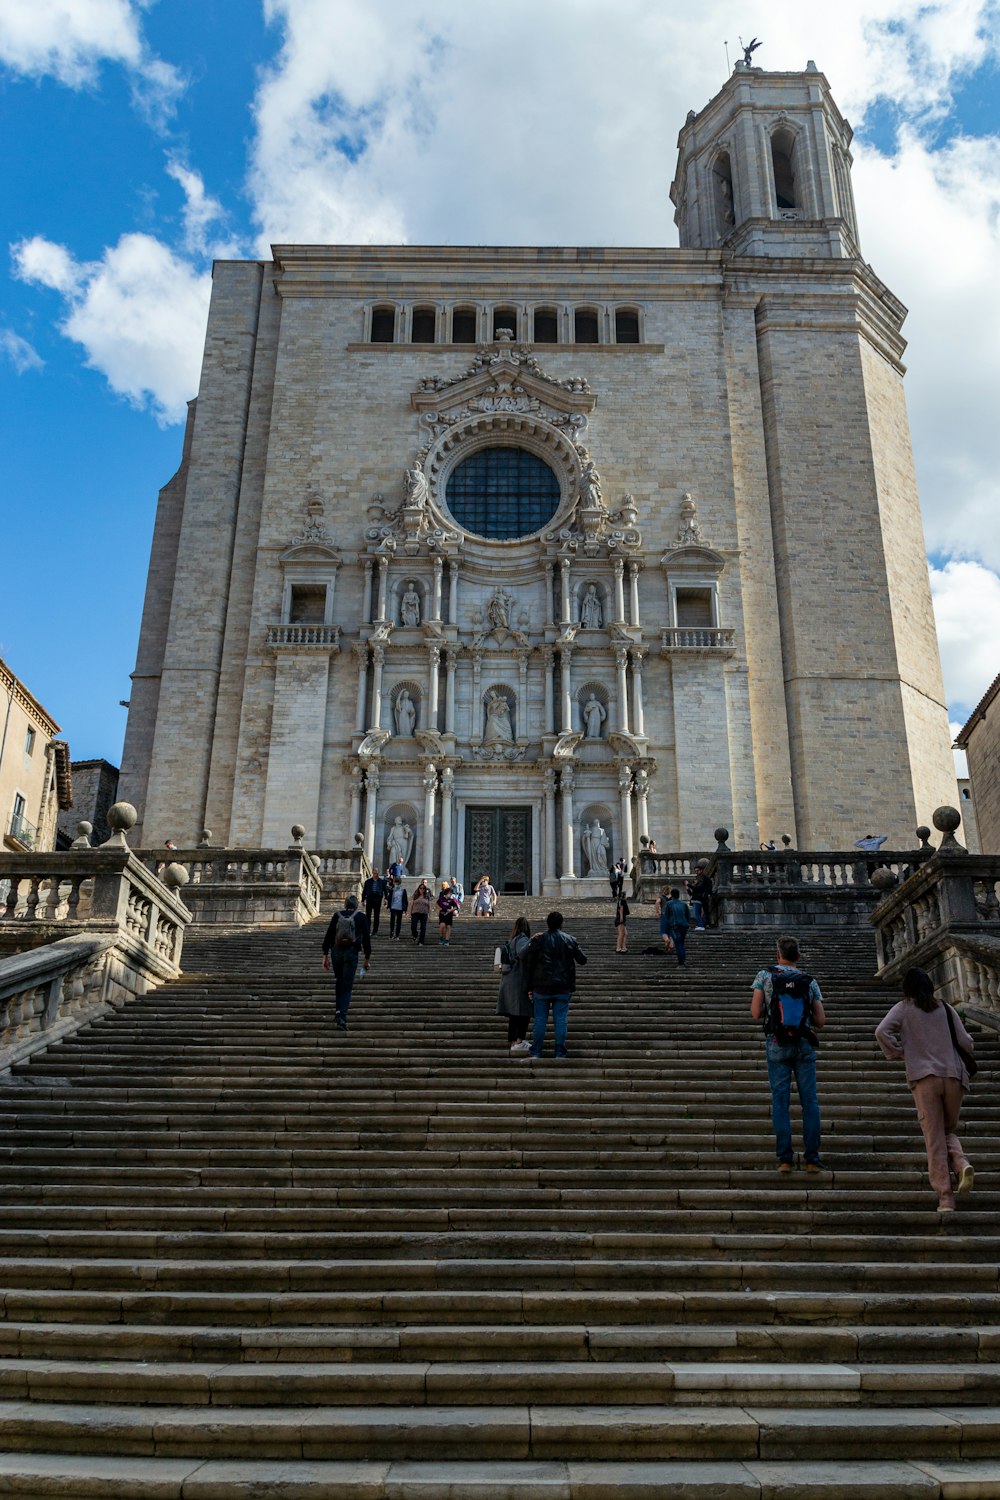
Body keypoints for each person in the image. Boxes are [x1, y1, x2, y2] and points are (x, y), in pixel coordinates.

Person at [875, 967, 975, 1213]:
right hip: (954, 1076)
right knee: (947, 1130)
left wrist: (899, 1052)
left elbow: (881, 1031)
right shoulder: (946, 1008)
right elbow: (967, 1043)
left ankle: (945, 1197)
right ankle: (961, 1164)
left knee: (934, 1139)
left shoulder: (904, 1008)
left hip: (924, 1078)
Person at [751, 935, 827, 1173]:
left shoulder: (765, 976)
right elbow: (821, 1021)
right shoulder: (809, 980)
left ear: (778, 955)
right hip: (804, 1042)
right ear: (798, 956)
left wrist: (772, 1008)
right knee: (810, 1102)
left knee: (781, 1103)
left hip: (777, 1042)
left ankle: (785, 1159)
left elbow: (755, 1012)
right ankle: (812, 1159)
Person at [523, 911, 588, 1060]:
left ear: (547, 923)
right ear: (561, 924)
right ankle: (559, 1052)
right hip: (563, 987)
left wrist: (529, 987)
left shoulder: (539, 940)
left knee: (540, 1020)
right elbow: (583, 960)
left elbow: (530, 964)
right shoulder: (569, 940)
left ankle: (536, 1052)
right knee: (560, 1020)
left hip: (541, 987)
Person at [321, 892, 371, 1031]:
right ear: (356, 906)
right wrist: (367, 959)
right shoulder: (361, 917)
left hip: (336, 952)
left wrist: (325, 955)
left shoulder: (337, 915)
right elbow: (366, 939)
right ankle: (342, 1017)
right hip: (351, 952)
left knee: (339, 981)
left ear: (345, 905)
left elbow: (329, 935)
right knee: (347, 986)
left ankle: (338, 1011)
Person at [496, 915, 533, 1054]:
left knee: (514, 1013)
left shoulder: (512, 940)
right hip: (519, 980)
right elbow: (523, 954)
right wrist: (532, 943)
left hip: (508, 980)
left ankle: (514, 1041)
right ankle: (519, 1041)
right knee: (523, 1012)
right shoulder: (523, 939)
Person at [656, 886, 691, 966]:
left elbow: (667, 916)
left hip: (675, 926)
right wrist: (687, 924)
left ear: (672, 895)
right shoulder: (684, 904)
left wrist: (667, 927)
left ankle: (681, 963)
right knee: (681, 943)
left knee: (678, 944)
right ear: (679, 895)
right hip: (684, 926)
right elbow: (687, 915)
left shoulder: (669, 904)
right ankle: (683, 959)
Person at [361, 867, 386, 935]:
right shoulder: (368, 882)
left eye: (377, 873)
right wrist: (363, 900)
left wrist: (386, 899)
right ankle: (368, 930)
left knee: (376, 916)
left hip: (378, 900)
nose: (376, 874)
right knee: (368, 916)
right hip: (369, 899)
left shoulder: (382, 882)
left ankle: (375, 931)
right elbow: (364, 891)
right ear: (372, 873)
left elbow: (385, 891)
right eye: (375, 873)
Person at [409, 880, 432, 944]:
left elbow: (430, 906)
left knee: (423, 928)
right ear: (418, 889)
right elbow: (411, 904)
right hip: (415, 913)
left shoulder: (427, 896)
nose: (422, 889)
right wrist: (409, 913)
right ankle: (415, 935)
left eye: (423, 888)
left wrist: (430, 916)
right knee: (413, 926)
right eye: (420, 888)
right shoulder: (415, 895)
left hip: (424, 913)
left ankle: (421, 941)